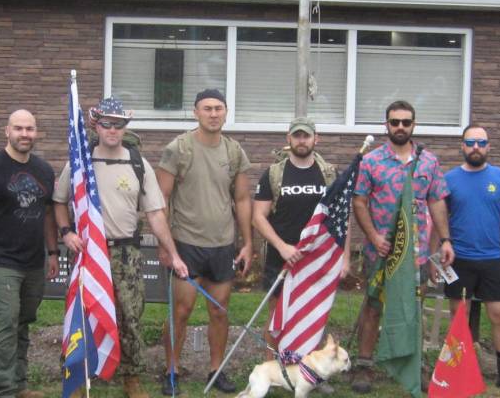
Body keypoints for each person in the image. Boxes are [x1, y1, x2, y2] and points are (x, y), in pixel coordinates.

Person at [53, 98, 188, 398]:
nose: (113, 130)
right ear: (96, 125)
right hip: (88, 252)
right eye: (107, 123)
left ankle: (131, 378)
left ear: (125, 127)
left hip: (127, 254)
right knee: (83, 313)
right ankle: (78, 376)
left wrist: (173, 254)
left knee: (130, 316)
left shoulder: (138, 163)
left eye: (119, 124)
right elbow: (60, 200)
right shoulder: (80, 162)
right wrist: (65, 233)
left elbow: (155, 213)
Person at [351, 100, 454, 394]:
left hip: (416, 252)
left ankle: (412, 363)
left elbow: (436, 201)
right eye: (394, 122)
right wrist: (372, 236)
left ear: (413, 125)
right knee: (373, 306)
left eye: (405, 122)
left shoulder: (429, 162)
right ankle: (365, 365)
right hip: (380, 251)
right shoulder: (372, 161)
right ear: (386, 125)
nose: (400, 127)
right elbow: (359, 200)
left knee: (413, 307)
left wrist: (445, 240)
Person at [157, 89, 253, 395]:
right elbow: (161, 200)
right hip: (186, 243)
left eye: (219, 108)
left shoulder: (234, 151)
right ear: (196, 112)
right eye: (207, 108)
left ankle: (216, 370)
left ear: (226, 112)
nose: (213, 114)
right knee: (181, 312)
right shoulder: (179, 148)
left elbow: (241, 198)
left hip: (222, 245)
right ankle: (171, 370)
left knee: (219, 311)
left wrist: (247, 243)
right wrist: (164, 245)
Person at [0, 109, 59, 398]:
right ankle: (4, 390)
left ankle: (20, 385)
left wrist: (52, 253)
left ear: (36, 132)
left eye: (29, 129)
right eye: (18, 128)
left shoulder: (44, 170)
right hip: (1, 261)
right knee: (6, 321)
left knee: (24, 321)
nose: (24, 134)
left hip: (33, 262)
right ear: (7, 131)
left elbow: (48, 216)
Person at [253, 117, 348, 352]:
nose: (302, 140)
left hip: (318, 258)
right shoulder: (274, 174)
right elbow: (258, 217)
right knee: (277, 315)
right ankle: (272, 370)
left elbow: (341, 220)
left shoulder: (329, 174)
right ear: (289, 139)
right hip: (282, 256)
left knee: (312, 313)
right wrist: (282, 246)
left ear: (316, 139)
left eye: (306, 135)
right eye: (297, 135)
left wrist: (344, 258)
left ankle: (307, 372)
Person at [431, 125, 500, 390]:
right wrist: (434, 255)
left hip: (492, 258)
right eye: (470, 142)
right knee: (458, 315)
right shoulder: (448, 180)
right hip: (459, 258)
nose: (476, 147)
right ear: (462, 146)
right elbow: (437, 220)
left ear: (488, 147)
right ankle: (460, 368)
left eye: (481, 142)